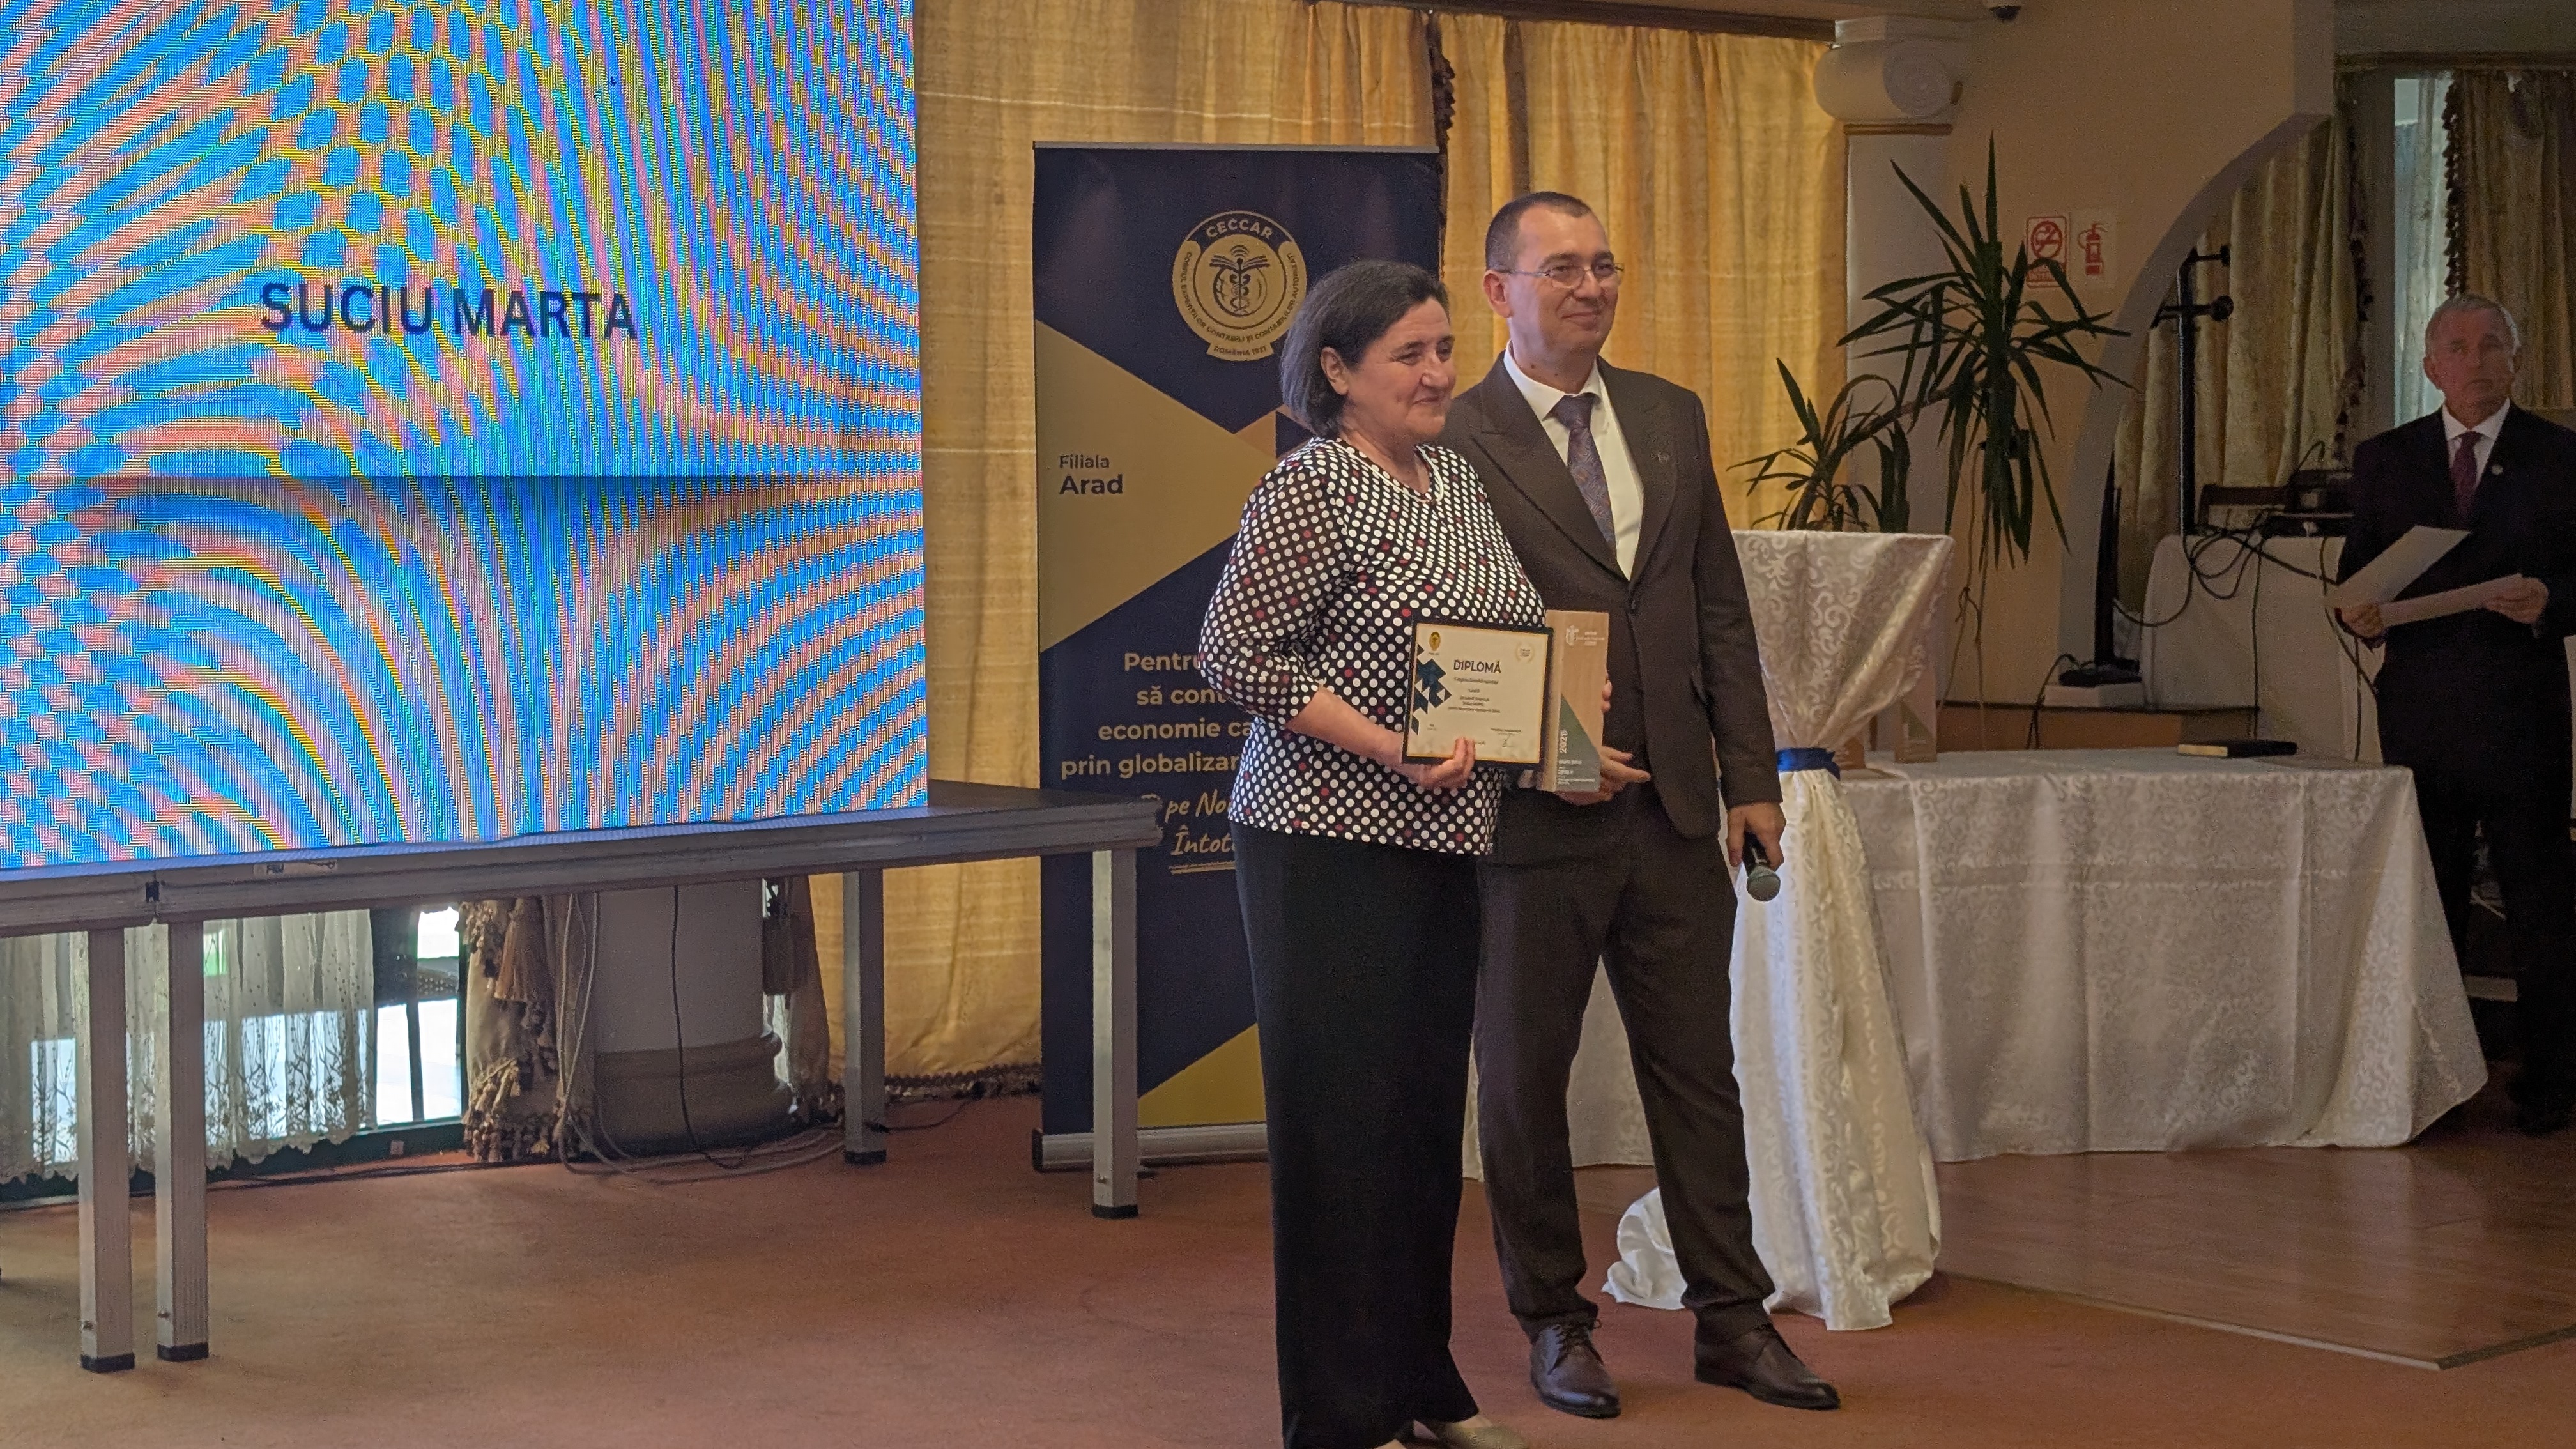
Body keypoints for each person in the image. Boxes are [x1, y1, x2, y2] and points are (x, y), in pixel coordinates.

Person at [1438, 192, 1837, 1418]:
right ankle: (1555, 1322)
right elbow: (1449, 634)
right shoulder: (1453, 436)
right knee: (1525, 1084)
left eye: (1605, 265)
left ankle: (1733, 1320)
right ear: (1499, 291)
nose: (1592, 287)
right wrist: (1546, 751)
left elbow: (1718, 605)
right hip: (1530, 819)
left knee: (1699, 1075)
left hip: (1673, 810)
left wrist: (1752, 778)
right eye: (1561, 268)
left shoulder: (1669, 415)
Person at [1199, 259, 1540, 1449]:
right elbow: (1236, 655)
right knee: (1338, 1132)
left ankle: (1419, 1381)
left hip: (1445, 840)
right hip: (1321, 846)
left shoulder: (1457, 481)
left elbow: (1498, 644)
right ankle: (1339, 1416)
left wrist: (1562, 721)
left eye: (1445, 348)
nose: (1439, 372)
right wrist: (1390, 744)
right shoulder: (1312, 486)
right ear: (1339, 371)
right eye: (1411, 354)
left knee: (1417, 1130)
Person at [2336, 293, 2576, 1138]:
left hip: (2521, 713)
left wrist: (2552, 600)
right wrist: (2358, 614)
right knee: (2428, 900)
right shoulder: (2387, 458)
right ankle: (2430, 1085)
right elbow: (2358, 575)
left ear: (2517, 360)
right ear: (2432, 366)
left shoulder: (2559, 456)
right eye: (2459, 347)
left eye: (2492, 346)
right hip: (2423, 713)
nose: (2476, 361)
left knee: (2539, 900)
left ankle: (2551, 1083)